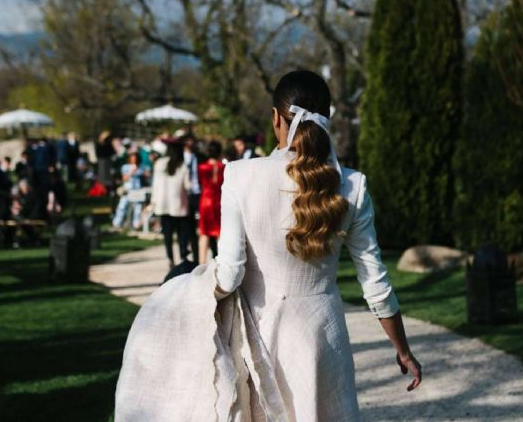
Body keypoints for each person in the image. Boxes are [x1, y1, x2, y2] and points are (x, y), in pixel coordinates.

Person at [115, 70, 421, 420]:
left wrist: (186, 292)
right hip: (321, 334)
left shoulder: (241, 175)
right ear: (328, 119)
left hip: (260, 331)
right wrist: (403, 350)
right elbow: (376, 284)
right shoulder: (354, 186)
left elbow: (229, 274)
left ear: (276, 117)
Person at [150, 138, 191, 269]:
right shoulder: (182, 166)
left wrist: (153, 202)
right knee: (181, 233)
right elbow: (187, 185)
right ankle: (182, 257)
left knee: (167, 234)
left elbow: (155, 185)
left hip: (162, 204)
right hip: (178, 205)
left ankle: (170, 258)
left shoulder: (159, 164)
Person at [197, 140, 225, 263]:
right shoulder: (223, 167)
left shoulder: (201, 167)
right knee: (221, 232)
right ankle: (222, 260)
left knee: (204, 233)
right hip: (219, 199)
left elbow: (198, 183)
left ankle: (201, 262)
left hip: (206, 200)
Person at [112, 152, 144, 230]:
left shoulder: (141, 167)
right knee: (122, 206)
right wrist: (132, 171)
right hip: (128, 189)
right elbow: (124, 178)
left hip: (137, 190)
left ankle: (136, 224)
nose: (134, 159)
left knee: (138, 207)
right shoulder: (125, 167)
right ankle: (117, 223)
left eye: (135, 157)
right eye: (132, 157)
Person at [183, 132, 201, 263]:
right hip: (186, 194)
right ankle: (190, 255)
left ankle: (200, 254)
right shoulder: (181, 159)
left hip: (198, 192)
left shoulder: (199, 157)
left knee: (201, 226)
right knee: (188, 227)